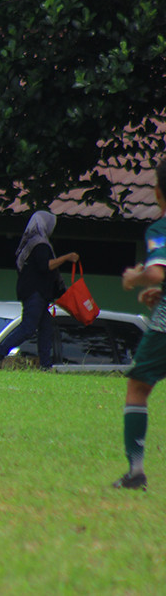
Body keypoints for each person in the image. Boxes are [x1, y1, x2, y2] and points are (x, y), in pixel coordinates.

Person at [114, 158, 166, 491]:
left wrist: (136, 278)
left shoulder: (160, 228)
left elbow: (157, 271)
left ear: (159, 192)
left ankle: (135, 472)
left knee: (138, 386)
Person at [0, 211, 78, 369]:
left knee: (45, 329)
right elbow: (45, 266)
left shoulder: (31, 243)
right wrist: (66, 258)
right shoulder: (40, 244)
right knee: (28, 328)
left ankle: (45, 366)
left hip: (38, 294)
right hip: (36, 293)